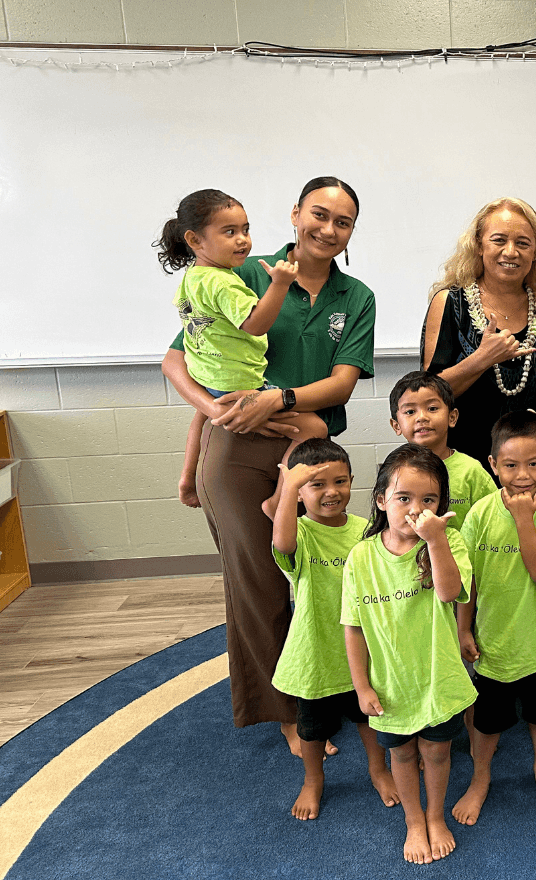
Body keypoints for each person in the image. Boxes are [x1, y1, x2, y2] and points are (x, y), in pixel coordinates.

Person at [161, 177, 374, 747]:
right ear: (295, 214)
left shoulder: (356, 298)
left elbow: (341, 384)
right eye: (319, 215)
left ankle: (337, 690)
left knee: (327, 581)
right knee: (258, 583)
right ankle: (286, 714)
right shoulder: (240, 271)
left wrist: (274, 401)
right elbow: (177, 358)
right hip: (234, 449)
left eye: (343, 221)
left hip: (305, 443)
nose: (328, 229)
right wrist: (218, 411)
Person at [342, 444, 476, 864]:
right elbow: (353, 625)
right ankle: (414, 821)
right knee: (400, 753)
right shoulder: (362, 556)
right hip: (391, 682)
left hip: (439, 679)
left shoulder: (448, 539)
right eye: (404, 498)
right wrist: (360, 685)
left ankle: (435, 816)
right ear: (381, 501)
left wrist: (434, 539)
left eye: (428, 500)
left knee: (437, 751)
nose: (416, 509)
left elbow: (449, 592)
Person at [157, 189, 324, 519]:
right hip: (237, 382)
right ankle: (281, 496)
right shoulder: (223, 283)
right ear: (195, 240)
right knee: (314, 428)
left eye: (245, 229)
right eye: (229, 232)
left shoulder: (194, 277)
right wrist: (279, 283)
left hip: (209, 377)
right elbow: (256, 324)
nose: (242, 240)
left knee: (201, 416)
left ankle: (188, 478)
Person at [453, 412, 536, 824]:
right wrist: (463, 627)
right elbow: (468, 579)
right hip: (495, 641)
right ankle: (480, 777)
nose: (523, 476)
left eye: (534, 464)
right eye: (510, 465)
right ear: (492, 465)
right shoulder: (480, 514)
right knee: (487, 723)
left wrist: (524, 518)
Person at [269, 439, 396, 820]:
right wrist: (288, 486)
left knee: (369, 716)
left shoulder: (365, 531)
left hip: (363, 648)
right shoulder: (300, 532)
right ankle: (313, 779)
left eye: (340, 482)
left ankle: (378, 769)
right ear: (300, 492)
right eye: (317, 485)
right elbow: (282, 540)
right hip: (317, 652)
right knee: (312, 728)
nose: (331, 493)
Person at [420, 197, 536, 464]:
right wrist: (483, 358)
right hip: (465, 465)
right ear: (479, 245)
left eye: (523, 243)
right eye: (499, 240)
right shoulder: (449, 303)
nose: (511, 251)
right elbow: (427, 396)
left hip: (534, 466)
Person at [388, 371, 496, 530]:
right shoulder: (393, 471)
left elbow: (493, 519)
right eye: (410, 411)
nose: (422, 417)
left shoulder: (471, 471)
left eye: (432, 408)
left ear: (452, 417)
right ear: (396, 425)